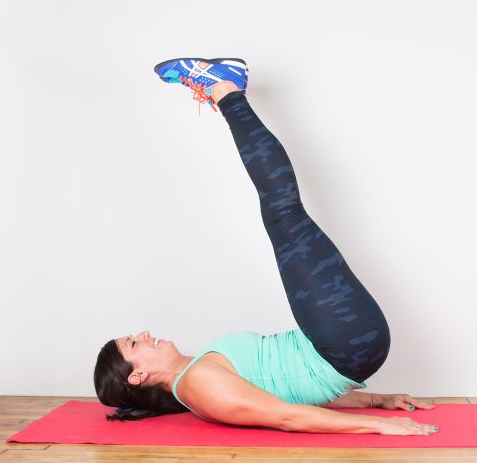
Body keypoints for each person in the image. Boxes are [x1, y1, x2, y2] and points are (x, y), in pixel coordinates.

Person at [94, 58, 438, 436]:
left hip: (341, 344)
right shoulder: (199, 388)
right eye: (132, 342)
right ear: (138, 374)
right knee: (282, 210)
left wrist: (376, 401)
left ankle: (226, 90)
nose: (143, 333)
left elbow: (291, 392)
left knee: (282, 212)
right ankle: (225, 89)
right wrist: (379, 428)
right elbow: (284, 416)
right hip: (340, 342)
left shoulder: (196, 377)